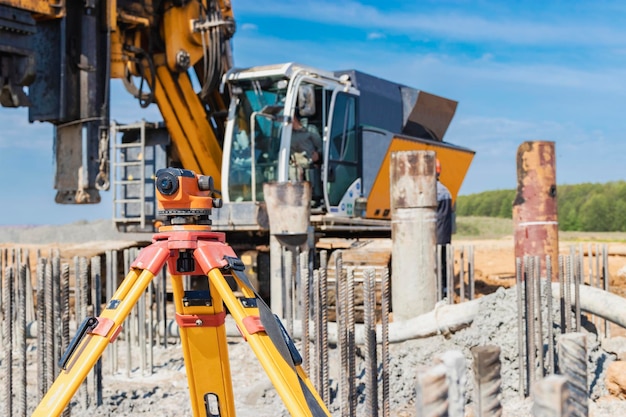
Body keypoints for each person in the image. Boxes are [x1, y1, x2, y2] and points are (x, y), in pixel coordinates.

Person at [436, 158, 453, 298]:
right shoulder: (445, 190)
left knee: (435, 266)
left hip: (435, 236)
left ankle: (440, 294)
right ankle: (445, 292)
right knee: (443, 264)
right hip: (444, 236)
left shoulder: (433, 191)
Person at [290, 114, 322, 181]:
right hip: (294, 168)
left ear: (294, 118)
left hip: (311, 166)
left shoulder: (310, 129)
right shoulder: (285, 133)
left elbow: (322, 147)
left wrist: (318, 155)